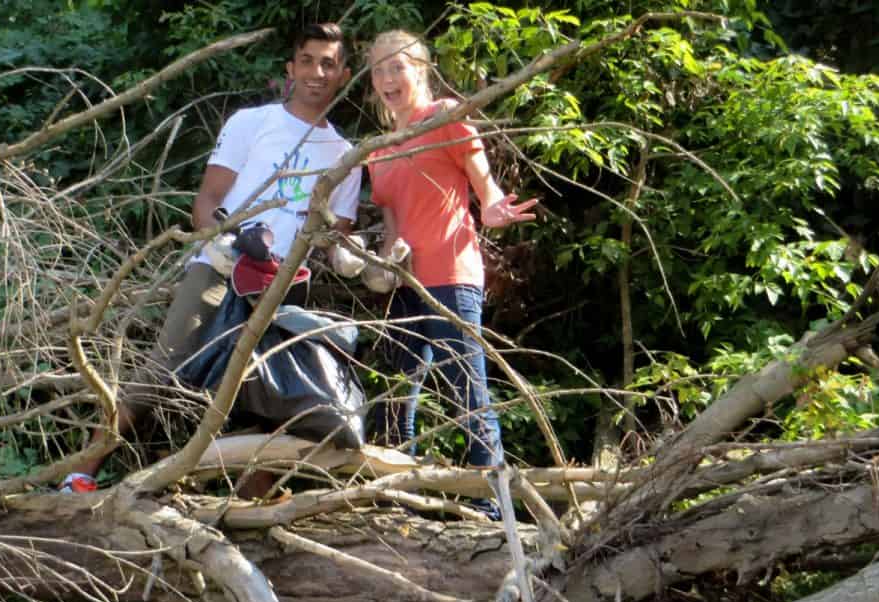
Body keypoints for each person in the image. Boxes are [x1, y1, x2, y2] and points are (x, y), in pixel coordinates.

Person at [60, 22, 362, 493]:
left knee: (282, 392)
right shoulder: (253, 123)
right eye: (307, 60)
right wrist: (228, 239)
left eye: (329, 64)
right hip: (220, 267)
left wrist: (356, 260)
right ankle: (81, 475)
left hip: (283, 286)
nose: (317, 72)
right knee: (163, 368)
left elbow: (331, 239)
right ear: (291, 68)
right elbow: (207, 199)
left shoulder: (346, 155)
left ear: (343, 74)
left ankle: (244, 503)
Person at [365, 30, 539, 513]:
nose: (386, 78)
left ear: (420, 68)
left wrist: (493, 206)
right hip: (406, 284)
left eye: (396, 66)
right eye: (378, 70)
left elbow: (484, 185)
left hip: (451, 273)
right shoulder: (378, 151)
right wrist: (383, 258)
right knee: (398, 397)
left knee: (468, 393)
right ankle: (399, 500)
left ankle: (491, 511)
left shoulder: (446, 116)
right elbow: (392, 223)